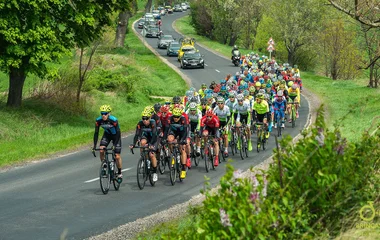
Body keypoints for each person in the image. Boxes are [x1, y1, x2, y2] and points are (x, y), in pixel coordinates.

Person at [93, 105, 123, 181]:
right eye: (102, 113)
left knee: (117, 156)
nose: (103, 115)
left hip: (116, 136)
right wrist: (94, 146)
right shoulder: (98, 120)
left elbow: (118, 133)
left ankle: (119, 172)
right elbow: (96, 133)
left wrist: (115, 145)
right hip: (107, 135)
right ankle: (105, 165)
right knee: (101, 149)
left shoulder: (114, 120)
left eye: (105, 113)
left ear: (109, 114)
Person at [129, 110, 159, 182]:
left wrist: (150, 144)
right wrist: (133, 144)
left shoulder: (153, 123)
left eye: (146, 118)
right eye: (143, 118)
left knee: (151, 155)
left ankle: (155, 172)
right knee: (142, 143)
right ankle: (143, 157)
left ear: (149, 118)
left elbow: (154, 135)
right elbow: (136, 135)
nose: (144, 120)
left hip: (153, 139)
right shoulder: (140, 123)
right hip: (146, 137)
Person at [165, 107, 189, 179]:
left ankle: (183, 169)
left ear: (180, 116)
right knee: (170, 140)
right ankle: (172, 153)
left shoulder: (183, 119)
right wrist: (164, 139)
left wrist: (183, 140)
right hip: (174, 132)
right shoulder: (170, 119)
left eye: (177, 117)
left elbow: (185, 132)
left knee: (183, 149)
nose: (175, 118)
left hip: (182, 133)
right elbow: (166, 130)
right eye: (174, 116)